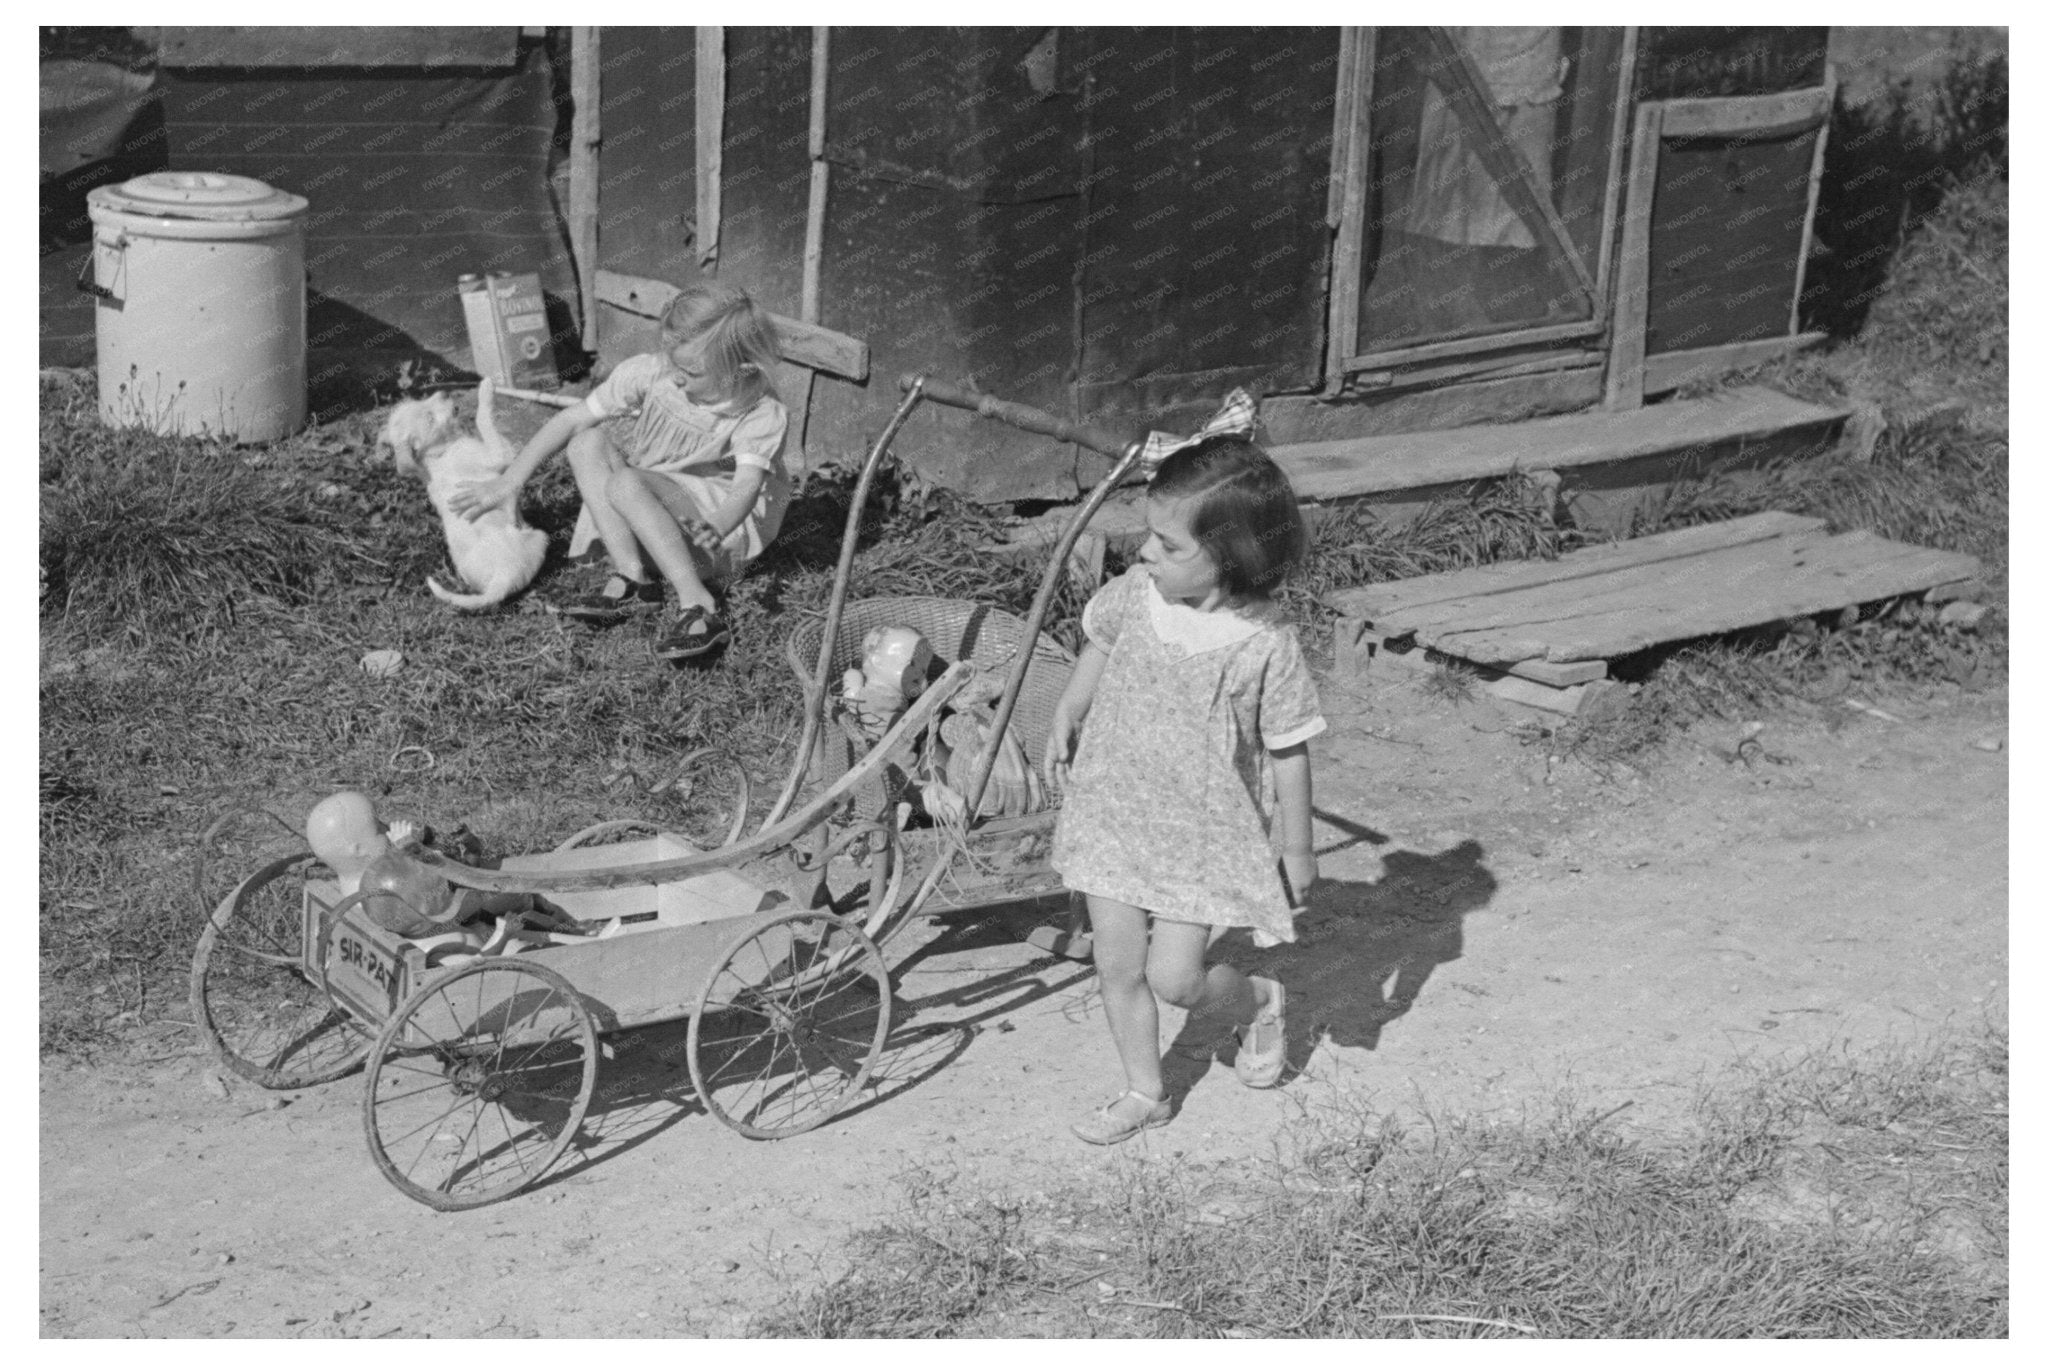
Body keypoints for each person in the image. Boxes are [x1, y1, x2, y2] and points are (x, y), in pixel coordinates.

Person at [1043, 434, 1324, 1145]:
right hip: (1113, 804)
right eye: (1149, 537)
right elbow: (1100, 642)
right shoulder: (1136, 595)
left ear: (1230, 556)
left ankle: (1258, 1001)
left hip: (1196, 830)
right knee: (1116, 962)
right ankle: (1145, 1089)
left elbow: (1289, 750)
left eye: (1168, 546)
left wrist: (1297, 850)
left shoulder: (1263, 643)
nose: (1145, 554)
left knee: (1175, 977)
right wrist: (1070, 708)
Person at [450, 282, 790, 660]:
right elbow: (572, 419)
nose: (677, 377)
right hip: (652, 517)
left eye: (691, 372)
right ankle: (634, 579)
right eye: (673, 361)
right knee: (586, 443)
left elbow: (746, 486)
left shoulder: (758, 412)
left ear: (738, 368)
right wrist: (511, 480)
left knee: (627, 482)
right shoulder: (654, 374)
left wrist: (719, 523)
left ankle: (697, 601)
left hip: (710, 537)